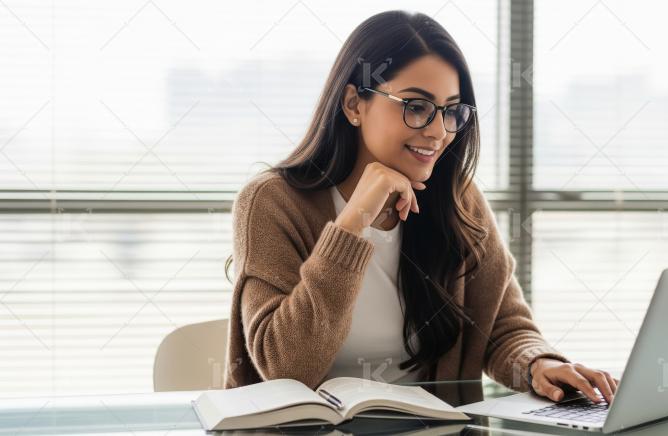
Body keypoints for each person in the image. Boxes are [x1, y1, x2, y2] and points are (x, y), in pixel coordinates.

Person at [224, 10, 618, 405]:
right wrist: (353, 220)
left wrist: (538, 364)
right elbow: (285, 368)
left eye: (452, 111)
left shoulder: (457, 199)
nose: (438, 131)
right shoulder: (272, 202)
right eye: (416, 106)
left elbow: (501, 327)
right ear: (353, 105)